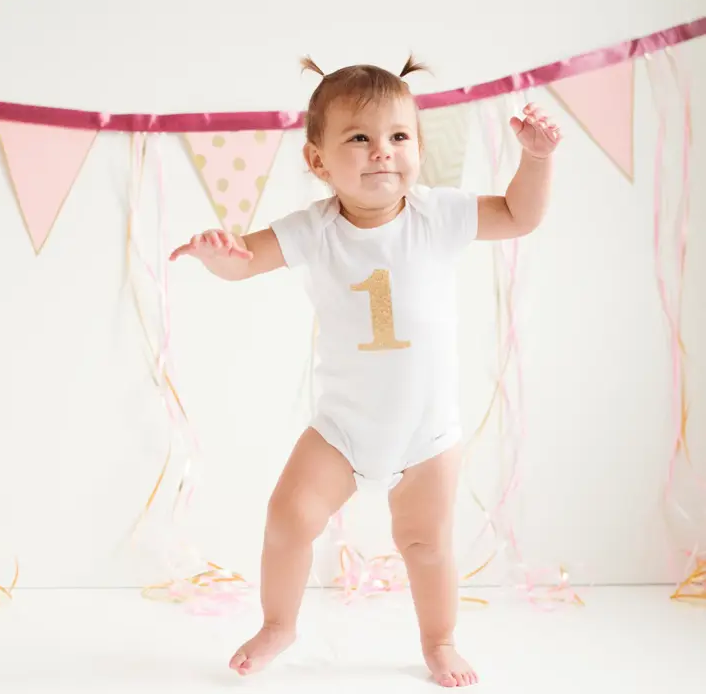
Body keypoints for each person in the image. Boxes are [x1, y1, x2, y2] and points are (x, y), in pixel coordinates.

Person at [169, 55, 560, 688]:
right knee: (288, 518)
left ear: (419, 148)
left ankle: (439, 640)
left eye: (399, 136)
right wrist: (218, 256)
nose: (382, 151)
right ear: (318, 160)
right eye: (358, 138)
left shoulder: (438, 215)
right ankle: (278, 624)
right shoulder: (314, 230)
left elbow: (520, 216)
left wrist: (536, 160)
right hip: (342, 430)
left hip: (426, 435)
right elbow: (247, 261)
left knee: (426, 544)